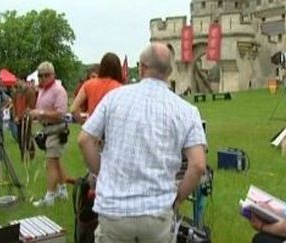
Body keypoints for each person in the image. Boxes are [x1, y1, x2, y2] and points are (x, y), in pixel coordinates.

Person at [78, 42, 207, 243]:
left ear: (142, 67)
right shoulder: (187, 111)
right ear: (170, 72)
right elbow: (198, 165)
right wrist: (177, 198)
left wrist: (103, 172)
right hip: (157, 216)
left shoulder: (114, 98)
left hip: (114, 212)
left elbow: (85, 139)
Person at [29, 61, 69, 207]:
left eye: (47, 75)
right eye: (40, 75)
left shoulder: (59, 90)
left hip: (56, 130)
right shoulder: (42, 90)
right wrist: (35, 115)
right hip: (47, 129)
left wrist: (40, 112)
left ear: (53, 75)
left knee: (50, 164)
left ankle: (49, 196)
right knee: (56, 162)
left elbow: (60, 113)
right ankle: (62, 190)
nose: (43, 78)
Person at [71, 54, 122, 124]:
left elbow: (74, 108)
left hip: (91, 126)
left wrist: (82, 122)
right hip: (109, 128)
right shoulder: (120, 88)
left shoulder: (88, 84)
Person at [11, 78, 36, 160]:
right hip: (18, 119)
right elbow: (14, 105)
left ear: (23, 80)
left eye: (18, 80)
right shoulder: (16, 92)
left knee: (27, 136)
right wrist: (15, 116)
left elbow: (31, 106)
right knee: (20, 138)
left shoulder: (29, 92)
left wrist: (21, 116)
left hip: (26, 118)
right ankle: (22, 155)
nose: (17, 82)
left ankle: (31, 153)